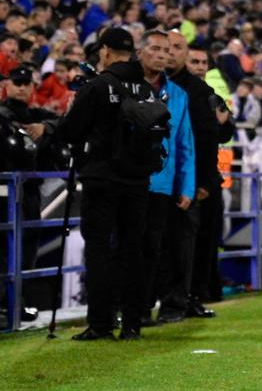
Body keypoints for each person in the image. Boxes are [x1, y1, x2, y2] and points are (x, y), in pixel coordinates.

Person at [56, 28, 164, 340]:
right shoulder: (146, 89)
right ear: (131, 52)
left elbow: (71, 131)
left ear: (104, 51)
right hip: (139, 180)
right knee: (133, 250)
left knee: (100, 250)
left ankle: (101, 324)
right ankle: (132, 323)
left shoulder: (99, 85)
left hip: (102, 178)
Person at [163, 30, 230, 320]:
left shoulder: (204, 93)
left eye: (203, 62)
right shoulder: (153, 85)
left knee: (195, 243)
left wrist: (203, 181)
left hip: (195, 179)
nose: (199, 66)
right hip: (162, 178)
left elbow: (214, 136)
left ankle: (188, 298)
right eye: (195, 60)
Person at [139, 30, 195, 327]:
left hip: (161, 183)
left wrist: (186, 185)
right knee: (125, 247)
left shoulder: (178, 95)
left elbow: (184, 143)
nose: (162, 55)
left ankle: (143, 308)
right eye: (156, 49)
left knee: (152, 248)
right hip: (129, 180)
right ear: (141, 52)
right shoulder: (128, 86)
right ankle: (123, 306)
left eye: (166, 50)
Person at [0, 65, 60, 324]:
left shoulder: (36, 114)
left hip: (30, 192)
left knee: (26, 251)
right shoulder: (2, 114)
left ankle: (17, 303)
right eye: (17, 82)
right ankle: (6, 305)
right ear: (7, 86)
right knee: (5, 250)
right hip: (5, 191)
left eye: (26, 83)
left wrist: (45, 126)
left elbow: (62, 122)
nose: (22, 87)